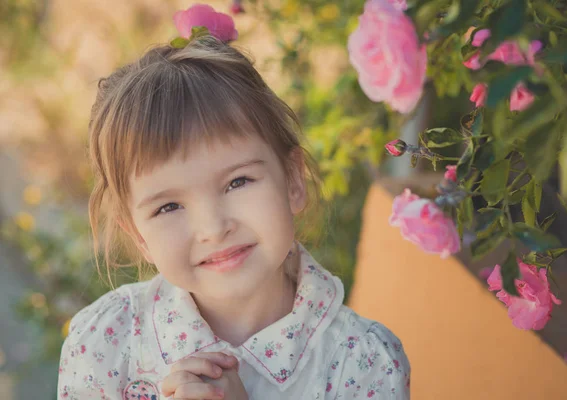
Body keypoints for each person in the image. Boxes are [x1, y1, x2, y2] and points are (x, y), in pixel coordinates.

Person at [57, 4, 410, 399]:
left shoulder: (364, 363)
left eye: (238, 181)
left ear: (293, 179)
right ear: (138, 235)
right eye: (168, 207)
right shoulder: (106, 343)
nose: (213, 228)